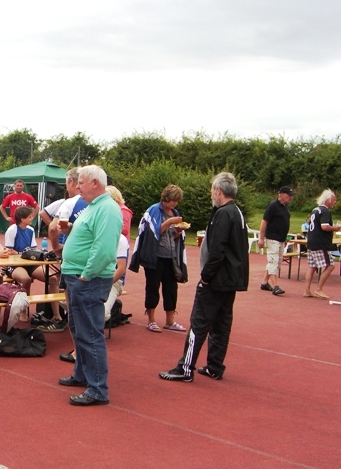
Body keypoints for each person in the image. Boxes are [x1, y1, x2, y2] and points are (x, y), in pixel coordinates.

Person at [159, 172, 249, 382]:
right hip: (231, 278)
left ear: (218, 191)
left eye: (212, 191)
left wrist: (206, 276)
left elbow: (218, 249)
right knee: (221, 323)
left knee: (198, 322)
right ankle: (215, 366)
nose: (211, 195)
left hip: (217, 278)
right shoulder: (237, 212)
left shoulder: (223, 214)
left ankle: (185, 368)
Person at [58, 165, 122, 406]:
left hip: (88, 280)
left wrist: (87, 274)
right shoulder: (93, 206)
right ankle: (82, 374)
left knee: (90, 334)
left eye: (81, 183)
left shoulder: (107, 209)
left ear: (95, 183)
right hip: (78, 276)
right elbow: (90, 236)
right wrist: (71, 229)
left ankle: (97, 389)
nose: (77, 187)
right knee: (78, 330)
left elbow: (104, 248)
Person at [129, 185, 188, 333]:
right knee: (152, 287)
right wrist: (169, 222)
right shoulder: (154, 210)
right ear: (166, 198)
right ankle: (151, 320)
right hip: (154, 256)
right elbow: (153, 231)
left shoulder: (175, 213)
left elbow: (173, 236)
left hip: (170, 257)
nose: (175, 203)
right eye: (173, 200)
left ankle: (170, 321)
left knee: (171, 289)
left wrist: (178, 231)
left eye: (177, 201)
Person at [4, 206, 63, 331]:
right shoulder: (12, 230)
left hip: (29, 263)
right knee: (25, 279)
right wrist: (22, 254)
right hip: (14, 265)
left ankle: (56, 315)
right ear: (22, 219)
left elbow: (32, 250)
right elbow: (9, 251)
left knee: (52, 278)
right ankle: (23, 311)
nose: (32, 218)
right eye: (30, 217)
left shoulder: (30, 230)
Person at [303, 189, 341, 299]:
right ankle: (319, 289)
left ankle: (307, 290)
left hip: (311, 241)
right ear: (328, 200)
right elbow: (324, 226)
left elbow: (311, 223)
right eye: (333, 200)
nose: (335, 202)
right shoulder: (325, 211)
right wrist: (335, 228)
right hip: (321, 243)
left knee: (312, 266)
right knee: (330, 266)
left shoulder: (315, 210)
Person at [258, 186, 294, 296]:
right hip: (272, 238)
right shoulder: (273, 206)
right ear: (281, 194)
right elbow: (264, 222)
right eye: (288, 195)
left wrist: (285, 237)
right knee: (273, 261)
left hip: (281, 239)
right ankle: (275, 286)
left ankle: (264, 283)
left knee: (277, 262)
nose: (290, 197)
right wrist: (261, 238)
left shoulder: (285, 207)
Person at [48, 168, 88, 256]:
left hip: (73, 254)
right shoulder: (96, 201)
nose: (66, 187)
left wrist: (56, 247)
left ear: (71, 182)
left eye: (66, 184)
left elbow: (53, 228)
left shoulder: (70, 202)